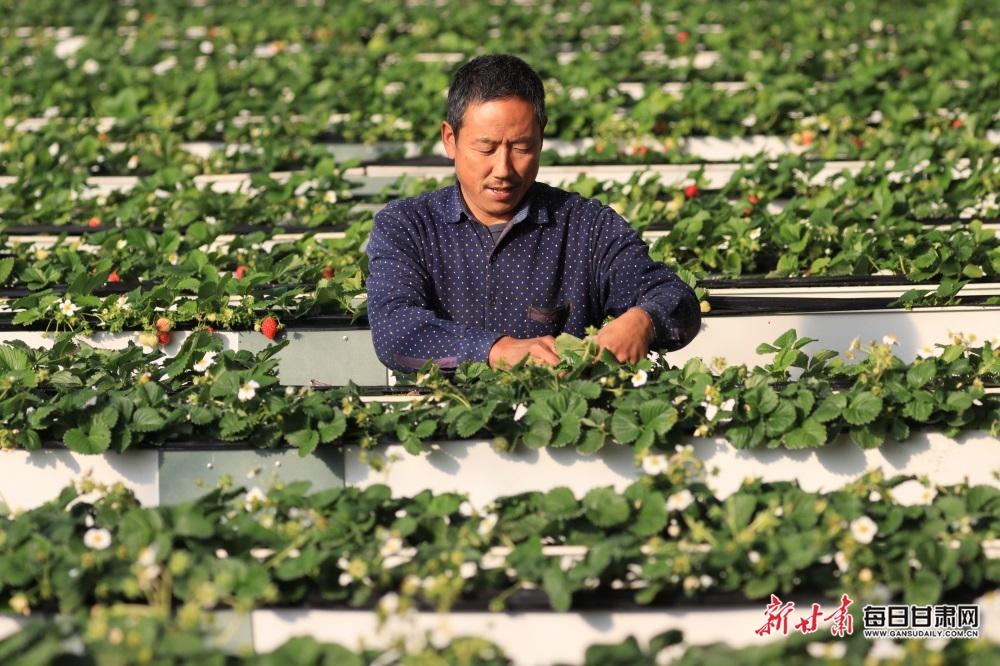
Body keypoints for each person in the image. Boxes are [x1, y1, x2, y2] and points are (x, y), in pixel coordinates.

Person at [366, 54, 700, 374]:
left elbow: (675, 298)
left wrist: (645, 320)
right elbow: (395, 332)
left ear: (542, 136)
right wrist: (494, 351)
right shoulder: (407, 226)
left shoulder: (586, 227)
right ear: (449, 139)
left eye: (522, 148)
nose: (503, 169)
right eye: (486, 148)